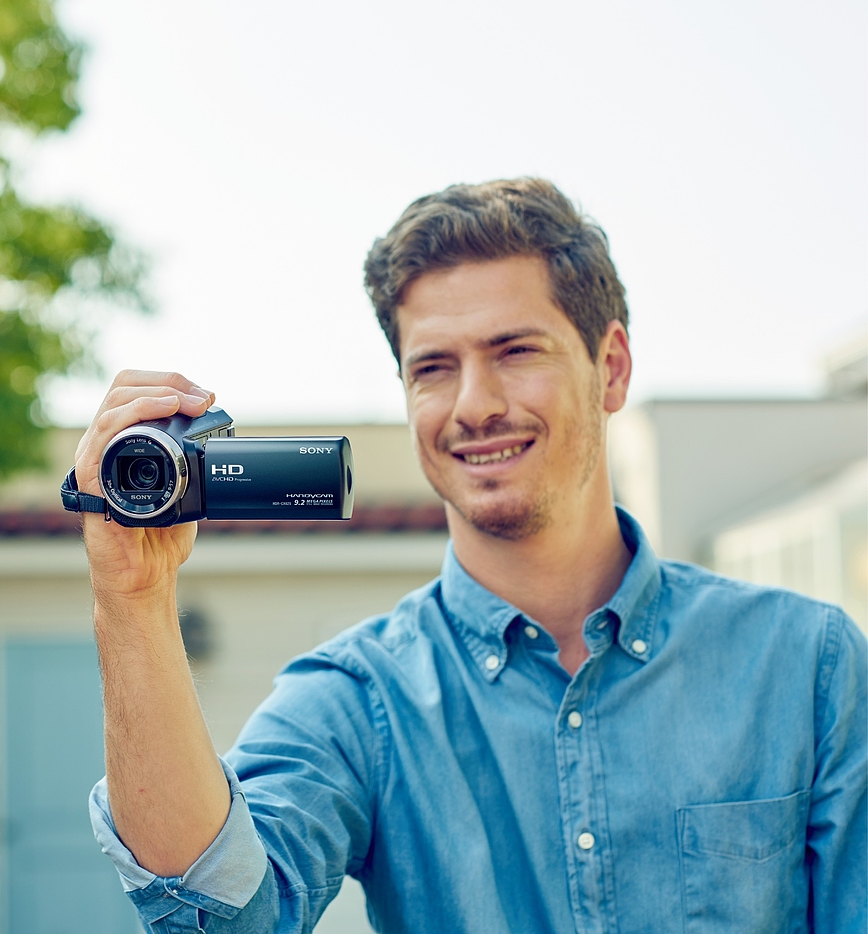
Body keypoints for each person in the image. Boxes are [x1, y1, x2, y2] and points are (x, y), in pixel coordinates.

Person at [72, 178, 866, 932]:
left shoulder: (807, 663)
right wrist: (132, 597)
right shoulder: (360, 700)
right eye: (434, 368)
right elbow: (219, 919)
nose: (475, 405)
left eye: (516, 351)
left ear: (611, 368)